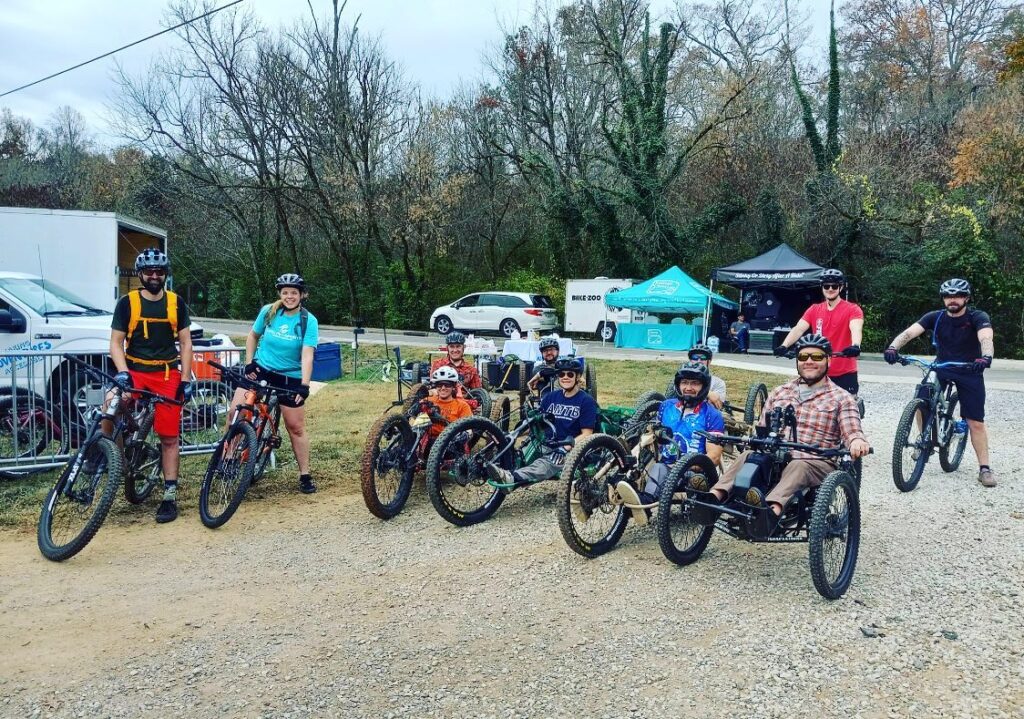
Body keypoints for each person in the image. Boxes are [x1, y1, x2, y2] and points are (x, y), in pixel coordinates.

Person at [706, 334, 870, 520]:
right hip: (776, 455)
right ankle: (713, 499)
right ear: (797, 361)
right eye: (803, 357)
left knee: (798, 465)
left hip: (814, 460)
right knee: (748, 456)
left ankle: (770, 512)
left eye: (816, 357)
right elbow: (763, 429)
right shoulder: (780, 392)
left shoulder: (841, 398)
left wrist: (857, 441)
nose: (809, 361)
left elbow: (852, 430)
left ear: (828, 360)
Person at [883, 278, 996, 487]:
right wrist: (892, 348)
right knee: (920, 399)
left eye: (957, 296)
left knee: (975, 422)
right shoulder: (935, 317)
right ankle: (923, 443)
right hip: (941, 367)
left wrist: (986, 357)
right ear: (943, 299)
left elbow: (986, 338)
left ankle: (985, 468)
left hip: (970, 369)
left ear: (966, 298)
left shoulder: (977, 317)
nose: (952, 300)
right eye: (948, 296)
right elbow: (909, 332)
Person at [109, 248, 193, 523]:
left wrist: (185, 379)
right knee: (110, 404)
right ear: (141, 274)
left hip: (166, 374)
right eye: (149, 272)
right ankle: (112, 457)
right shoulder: (127, 302)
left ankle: (169, 495)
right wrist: (122, 373)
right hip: (134, 371)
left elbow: (185, 343)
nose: (154, 276)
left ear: (165, 274)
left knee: (169, 437)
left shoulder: (175, 302)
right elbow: (115, 343)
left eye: (159, 272)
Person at [235, 273, 320, 494]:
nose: (289, 296)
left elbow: (307, 355)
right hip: (262, 369)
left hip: (290, 377)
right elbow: (252, 336)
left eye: (294, 293)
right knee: (237, 411)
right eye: (285, 293)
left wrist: (304, 385)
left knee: (296, 427)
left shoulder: (308, 321)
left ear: (302, 295)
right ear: (279, 294)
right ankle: (226, 460)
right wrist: (249, 363)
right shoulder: (269, 312)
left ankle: (305, 475)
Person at [616, 362, 725, 507]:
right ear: (678, 385)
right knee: (657, 467)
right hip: (665, 467)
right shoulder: (666, 406)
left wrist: (684, 466)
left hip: (694, 473)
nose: (688, 388)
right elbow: (654, 437)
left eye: (695, 383)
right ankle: (642, 503)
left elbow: (714, 457)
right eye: (684, 382)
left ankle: (645, 501)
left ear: (704, 386)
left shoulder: (712, 415)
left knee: (667, 471)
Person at [486, 358, 597, 484]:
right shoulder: (551, 397)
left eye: (570, 374)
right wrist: (514, 433)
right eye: (561, 374)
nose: (565, 377)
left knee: (547, 463)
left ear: (577, 377)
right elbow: (536, 421)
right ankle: (488, 468)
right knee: (516, 454)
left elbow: (587, 434)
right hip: (543, 442)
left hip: (566, 447)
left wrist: (565, 448)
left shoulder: (586, 401)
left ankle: (512, 478)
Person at [775, 269, 864, 395]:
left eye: (834, 286)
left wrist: (855, 345)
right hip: (817, 369)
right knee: (808, 408)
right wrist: (784, 345)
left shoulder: (852, 309)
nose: (830, 289)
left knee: (848, 408)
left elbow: (856, 328)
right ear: (822, 287)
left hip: (844, 371)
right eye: (826, 286)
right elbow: (799, 329)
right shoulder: (814, 309)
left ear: (841, 287)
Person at [424, 365, 472, 439]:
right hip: (429, 438)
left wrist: (465, 434)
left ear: (453, 387)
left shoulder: (462, 405)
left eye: (447, 385)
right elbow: (417, 421)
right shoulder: (429, 400)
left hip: (450, 441)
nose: (443, 388)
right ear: (435, 386)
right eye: (439, 385)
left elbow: (469, 428)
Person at [683, 343, 727, 409]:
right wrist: (707, 393)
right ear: (690, 360)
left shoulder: (718, 383)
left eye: (703, 358)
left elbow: (718, 405)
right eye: (695, 358)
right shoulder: (681, 379)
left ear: (709, 361)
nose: (699, 361)